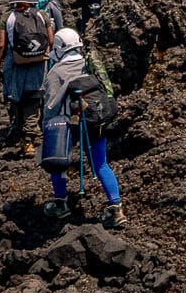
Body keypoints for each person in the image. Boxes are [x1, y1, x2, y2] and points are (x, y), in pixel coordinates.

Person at [39, 29, 123, 228]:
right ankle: (116, 208)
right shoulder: (89, 63)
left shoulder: (56, 73)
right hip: (95, 120)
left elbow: (50, 107)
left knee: (58, 162)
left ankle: (61, 203)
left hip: (70, 124)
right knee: (101, 164)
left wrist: (47, 130)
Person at [0, 0, 52, 156]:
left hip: (15, 65)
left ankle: (23, 138)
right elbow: (51, 39)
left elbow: (1, 46)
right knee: (33, 100)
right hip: (38, 64)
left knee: (16, 101)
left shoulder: (8, 17)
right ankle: (33, 139)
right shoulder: (42, 15)